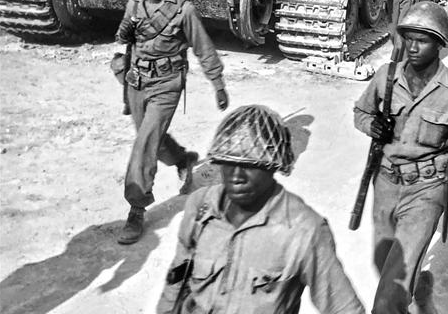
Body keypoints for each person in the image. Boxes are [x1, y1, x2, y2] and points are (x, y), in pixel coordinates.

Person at [157, 105, 366, 314]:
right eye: (228, 163)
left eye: (250, 165)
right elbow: (178, 275)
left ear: (274, 167)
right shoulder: (201, 205)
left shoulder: (303, 230)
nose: (236, 176)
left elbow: (344, 307)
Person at [353, 2, 448, 314]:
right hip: (386, 184)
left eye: (422, 40)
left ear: (440, 45)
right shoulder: (386, 77)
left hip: (426, 190)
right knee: (383, 262)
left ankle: (404, 298)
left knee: (388, 298)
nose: (412, 47)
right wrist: (370, 125)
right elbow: (360, 112)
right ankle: (421, 294)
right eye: (408, 39)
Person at [115, 0, 230, 245]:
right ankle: (183, 159)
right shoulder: (134, 5)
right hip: (137, 80)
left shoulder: (184, 10)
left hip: (167, 84)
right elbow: (125, 43)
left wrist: (217, 83)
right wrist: (122, 70)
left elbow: (203, 48)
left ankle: (136, 208)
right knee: (151, 138)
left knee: (144, 144)